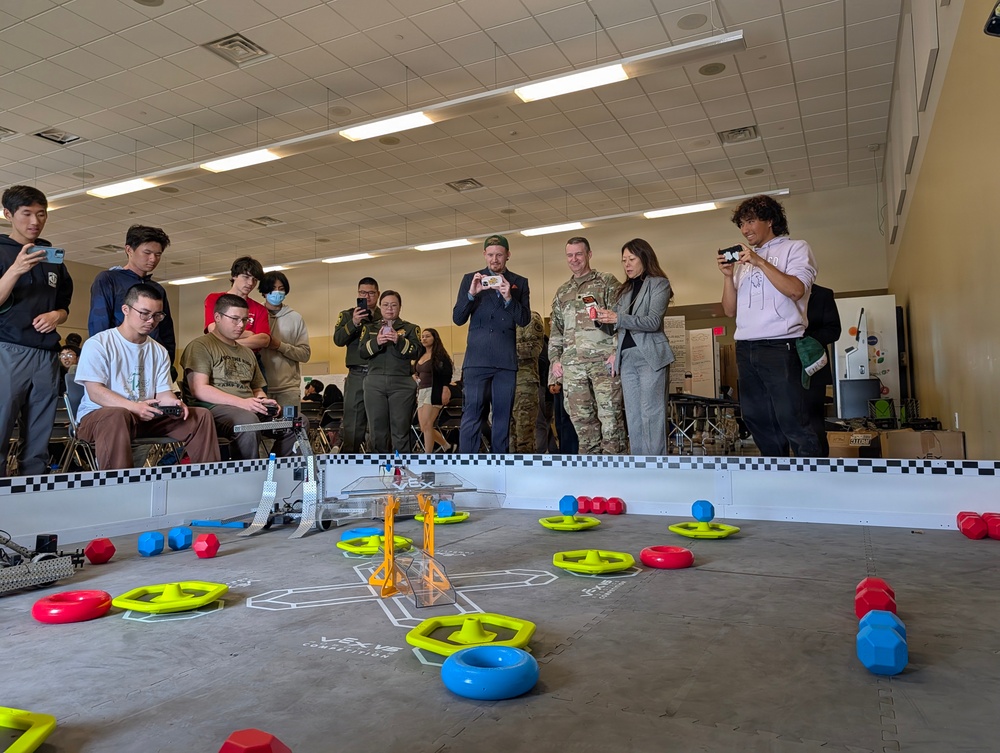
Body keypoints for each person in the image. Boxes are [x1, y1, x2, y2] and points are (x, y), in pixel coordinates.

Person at [74, 284, 219, 470]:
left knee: (200, 416)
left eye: (157, 315)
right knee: (117, 415)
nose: (151, 321)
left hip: (145, 416)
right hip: (100, 418)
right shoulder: (98, 344)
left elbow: (164, 393)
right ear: (125, 310)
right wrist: (134, 407)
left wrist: (174, 404)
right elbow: (95, 392)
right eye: (144, 314)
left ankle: (207, 481)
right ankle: (118, 488)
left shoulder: (158, 350)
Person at [718, 194, 821, 457]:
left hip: (781, 345)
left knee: (792, 418)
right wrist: (729, 277)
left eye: (751, 221)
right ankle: (776, 475)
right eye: (741, 224)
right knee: (757, 419)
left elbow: (797, 290)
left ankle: (815, 481)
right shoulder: (742, 261)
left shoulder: (796, 248)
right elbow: (729, 310)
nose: (745, 230)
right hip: (746, 346)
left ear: (771, 220)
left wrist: (760, 261)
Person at [0, 185, 73, 477]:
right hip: (7, 349)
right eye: (27, 214)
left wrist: (56, 315)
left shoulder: (51, 255)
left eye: (41, 214)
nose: (35, 221)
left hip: (45, 354)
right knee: (2, 423)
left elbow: (64, 305)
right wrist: (16, 269)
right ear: (8, 214)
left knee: (40, 431)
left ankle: (34, 488)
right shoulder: (3, 253)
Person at [182, 294, 294, 460]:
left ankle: (274, 471)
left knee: (296, 422)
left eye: (245, 320)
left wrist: (263, 401)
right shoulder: (200, 346)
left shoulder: (247, 352)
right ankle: (247, 480)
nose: (241, 325)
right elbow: (199, 390)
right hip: (213, 408)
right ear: (217, 317)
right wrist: (243, 403)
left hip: (248, 407)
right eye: (234, 319)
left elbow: (256, 388)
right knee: (248, 422)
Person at [595, 239, 675, 456]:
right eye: (623, 260)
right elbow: (616, 329)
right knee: (634, 415)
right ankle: (639, 465)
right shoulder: (624, 290)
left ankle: (656, 465)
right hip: (627, 358)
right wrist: (601, 319)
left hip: (650, 356)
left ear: (644, 258)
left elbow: (652, 322)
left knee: (652, 413)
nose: (626, 265)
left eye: (631, 259)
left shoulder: (659, 284)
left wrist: (618, 318)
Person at [452, 234, 531, 453]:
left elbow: (524, 319)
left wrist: (508, 298)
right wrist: (471, 294)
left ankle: (500, 467)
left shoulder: (519, 282)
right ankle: (467, 465)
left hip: (505, 363)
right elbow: (458, 319)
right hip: (476, 361)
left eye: (499, 255)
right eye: (490, 255)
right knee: (472, 414)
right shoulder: (471, 279)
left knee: (502, 417)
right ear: (484, 255)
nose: (494, 259)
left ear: (508, 255)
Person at [549, 237, 625, 455]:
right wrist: (555, 362)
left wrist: (616, 352)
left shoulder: (606, 282)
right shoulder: (562, 292)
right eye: (570, 255)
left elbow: (621, 319)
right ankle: (590, 473)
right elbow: (556, 331)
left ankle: (616, 472)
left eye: (579, 254)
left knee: (610, 419)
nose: (574, 259)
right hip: (573, 368)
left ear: (589, 254)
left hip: (604, 363)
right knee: (582, 424)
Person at [88, 225, 176, 364]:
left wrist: (168, 362)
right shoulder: (108, 279)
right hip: (118, 359)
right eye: (147, 253)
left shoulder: (157, 289)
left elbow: (166, 331)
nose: (153, 259)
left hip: (152, 360)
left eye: (158, 254)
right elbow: (99, 325)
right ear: (129, 250)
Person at [359, 290, 420, 453]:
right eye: (386, 305)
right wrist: (377, 341)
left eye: (394, 305)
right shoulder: (369, 328)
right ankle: (379, 472)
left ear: (400, 307)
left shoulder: (411, 328)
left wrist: (399, 341)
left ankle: (402, 471)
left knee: (400, 429)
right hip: (375, 383)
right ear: (380, 306)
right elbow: (362, 352)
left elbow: (417, 352)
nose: (390, 308)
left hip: (402, 384)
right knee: (376, 430)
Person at [333, 277, 381, 452]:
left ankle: (379, 463)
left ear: (378, 294)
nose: (367, 297)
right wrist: (353, 322)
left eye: (371, 293)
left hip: (378, 373)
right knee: (352, 422)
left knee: (378, 421)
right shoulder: (347, 315)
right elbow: (338, 340)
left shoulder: (384, 316)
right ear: (358, 294)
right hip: (357, 374)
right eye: (362, 293)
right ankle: (349, 462)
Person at [258, 271, 311, 410]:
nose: (277, 292)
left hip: (288, 390)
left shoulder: (295, 318)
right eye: (272, 289)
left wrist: (279, 346)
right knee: (262, 430)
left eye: (281, 289)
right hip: (259, 389)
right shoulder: (255, 314)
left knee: (291, 429)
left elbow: (305, 354)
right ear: (263, 291)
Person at [803, 284, 841, 456]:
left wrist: (805, 341)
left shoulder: (823, 294)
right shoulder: (776, 290)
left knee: (813, 419)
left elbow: (834, 330)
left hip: (813, 365)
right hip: (782, 366)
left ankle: (819, 462)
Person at [203, 256, 270, 352]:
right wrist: (250, 334)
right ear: (234, 275)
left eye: (255, 279)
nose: (250, 283)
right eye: (246, 277)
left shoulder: (259, 309)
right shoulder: (214, 299)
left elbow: (264, 340)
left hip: (249, 358)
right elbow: (214, 330)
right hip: (220, 355)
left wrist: (227, 342)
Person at [414, 327, 454, 453]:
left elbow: (447, 373)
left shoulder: (440, 356)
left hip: (434, 391)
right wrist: (414, 375)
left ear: (434, 338)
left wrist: (445, 388)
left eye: (427, 336)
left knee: (427, 424)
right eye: (423, 336)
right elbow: (416, 371)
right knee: (423, 426)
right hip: (421, 391)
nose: (424, 338)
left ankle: (428, 455)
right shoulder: (420, 355)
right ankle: (446, 445)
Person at [511, 311, 544, 453]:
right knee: (507, 434)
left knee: (524, 433)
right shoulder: (500, 317)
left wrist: (505, 349)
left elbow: (534, 349)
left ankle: (526, 471)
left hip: (524, 382)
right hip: (503, 383)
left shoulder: (529, 317)